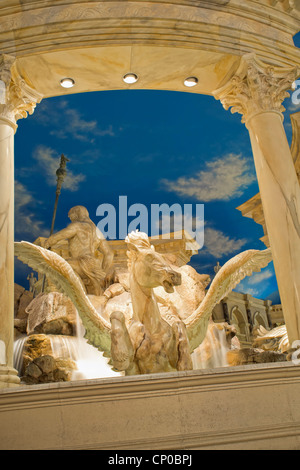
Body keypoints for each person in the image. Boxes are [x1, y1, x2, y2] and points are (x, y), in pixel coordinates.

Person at [44, 205, 114, 296]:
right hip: (93, 264)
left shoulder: (77, 225)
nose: (71, 219)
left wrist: (47, 243)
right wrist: (103, 274)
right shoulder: (97, 232)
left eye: (71, 216)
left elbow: (59, 236)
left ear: (76, 214)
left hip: (80, 261)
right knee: (95, 292)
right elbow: (109, 254)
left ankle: (78, 295)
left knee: (55, 267)